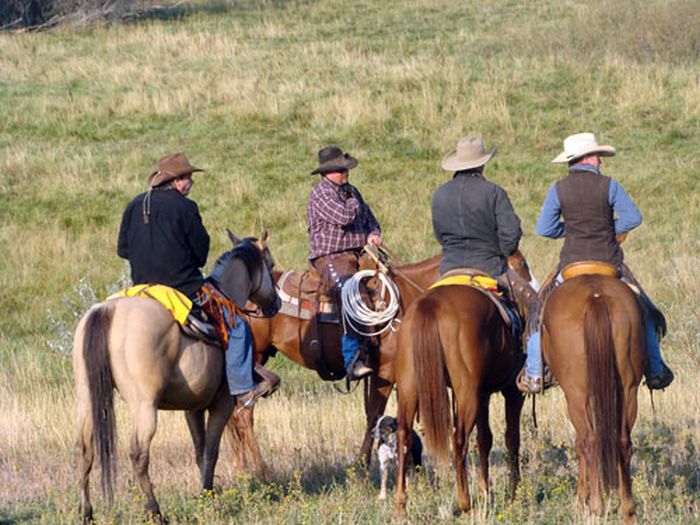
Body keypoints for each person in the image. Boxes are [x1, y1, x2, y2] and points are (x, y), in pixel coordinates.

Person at [117, 152, 279, 407]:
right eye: (188, 177)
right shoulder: (186, 207)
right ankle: (242, 389)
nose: (190, 182)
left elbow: (123, 250)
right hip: (182, 287)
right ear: (178, 181)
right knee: (237, 325)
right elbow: (201, 254)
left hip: (141, 289)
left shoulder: (134, 204)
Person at [518, 132, 674, 393]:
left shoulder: (559, 188)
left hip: (571, 265)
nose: (601, 161)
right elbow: (633, 218)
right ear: (589, 157)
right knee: (644, 310)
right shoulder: (610, 185)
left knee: (538, 311)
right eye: (599, 156)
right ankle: (656, 369)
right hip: (608, 262)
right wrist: (608, 229)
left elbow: (544, 228)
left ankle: (534, 373)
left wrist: (571, 231)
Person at [307, 146, 382, 380]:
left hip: (359, 253)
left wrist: (374, 233)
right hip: (331, 256)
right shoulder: (320, 193)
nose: (345, 172)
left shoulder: (351, 191)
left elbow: (371, 219)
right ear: (328, 172)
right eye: (341, 169)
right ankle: (352, 359)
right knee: (350, 294)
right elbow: (344, 216)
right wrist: (352, 202)